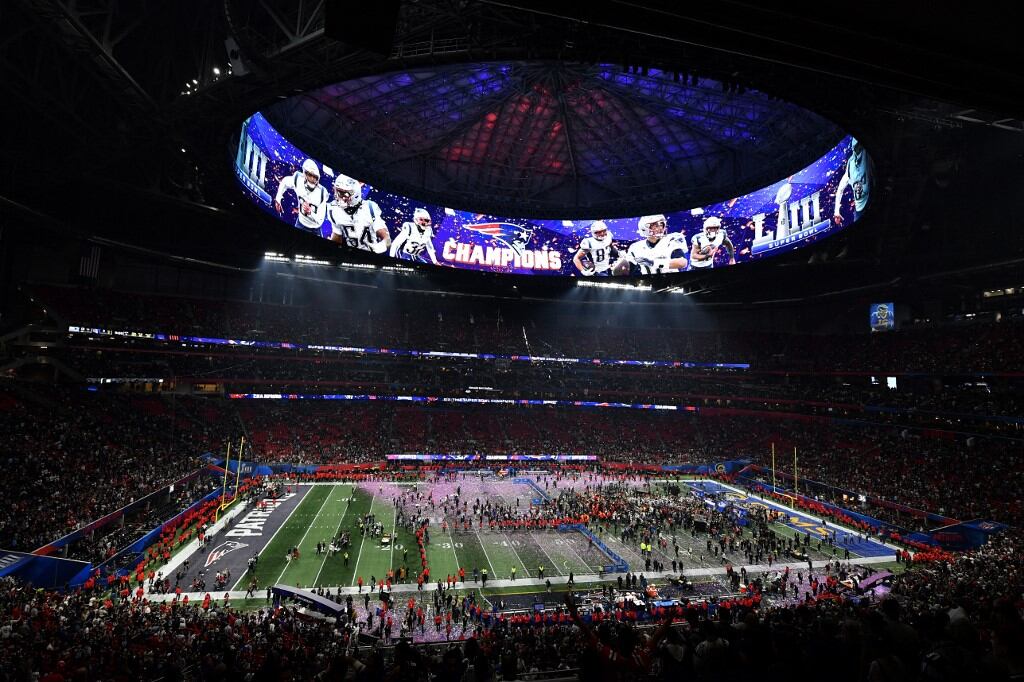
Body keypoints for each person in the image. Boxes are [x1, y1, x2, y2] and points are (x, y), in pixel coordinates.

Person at [325, 174, 390, 253]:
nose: (338, 196)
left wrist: (381, 246)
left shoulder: (370, 208)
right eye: (337, 191)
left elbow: (387, 239)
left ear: (355, 194)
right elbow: (337, 234)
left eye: (343, 193)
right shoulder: (333, 209)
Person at [613, 214, 688, 275]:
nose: (660, 228)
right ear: (644, 228)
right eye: (655, 225)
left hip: (673, 281)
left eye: (661, 224)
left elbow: (682, 263)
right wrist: (618, 266)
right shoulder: (636, 247)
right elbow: (626, 271)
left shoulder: (671, 239)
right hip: (648, 283)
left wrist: (652, 262)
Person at [273, 158, 329, 232]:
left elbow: (320, 220)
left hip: (315, 229)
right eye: (310, 175)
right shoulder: (298, 180)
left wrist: (310, 212)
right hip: (300, 222)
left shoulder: (322, 193)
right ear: (304, 174)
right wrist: (278, 198)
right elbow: (285, 182)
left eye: (315, 177)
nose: (312, 179)